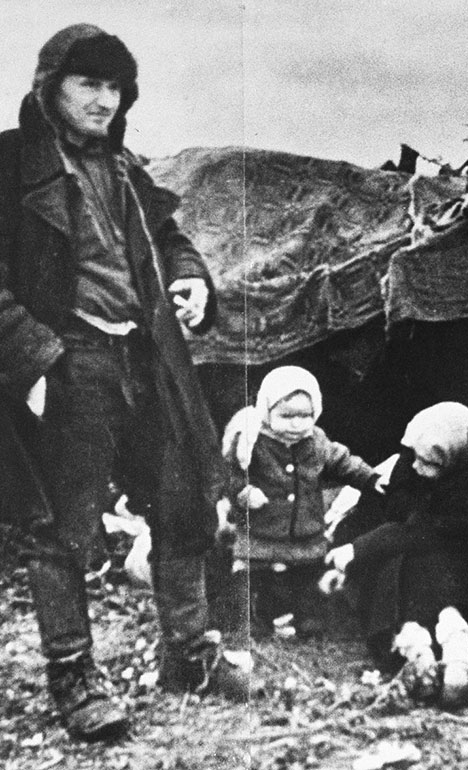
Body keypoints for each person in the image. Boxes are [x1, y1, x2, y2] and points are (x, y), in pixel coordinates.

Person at [0, 23, 253, 741]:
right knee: (65, 526)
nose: (103, 100)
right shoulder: (10, 164)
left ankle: (188, 655)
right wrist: (34, 358)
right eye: (88, 83)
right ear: (49, 87)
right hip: (67, 361)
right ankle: (74, 675)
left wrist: (189, 281)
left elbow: (172, 241)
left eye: (115, 87)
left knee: (182, 501)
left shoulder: (125, 170)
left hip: (145, 359)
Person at [325, 402, 468, 709]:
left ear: (454, 458)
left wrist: (359, 550)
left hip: (462, 566)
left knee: (438, 571)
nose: (415, 468)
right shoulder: (407, 466)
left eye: (429, 463)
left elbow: (426, 530)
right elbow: (379, 512)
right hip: (407, 558)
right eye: (416, 457)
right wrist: (348, 548)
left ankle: (455, 653)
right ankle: (416, 648)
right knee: (394, 569)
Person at [216, 365, 383, 640]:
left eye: (305, 416)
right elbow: (231, 474)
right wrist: (244, 492)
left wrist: (369, 478)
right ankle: (260, 617)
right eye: (287, 416)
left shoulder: (316, 441)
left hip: (306, 528)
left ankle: (307, 617)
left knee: (305, 576)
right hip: (263, 529)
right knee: (261, 576)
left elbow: (342, 461)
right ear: (267, 410)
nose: (297, 424)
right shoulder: (253, 443)